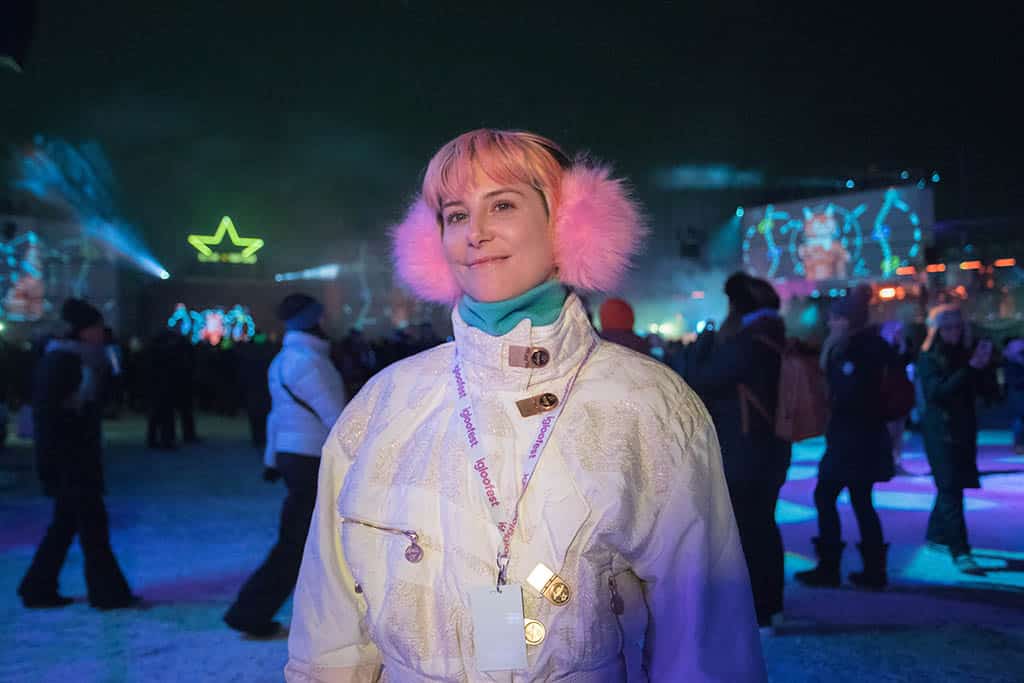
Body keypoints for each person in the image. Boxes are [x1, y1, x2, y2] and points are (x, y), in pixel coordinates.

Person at [286, 129, 765, 681]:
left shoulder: (648, 404)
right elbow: (331, 620)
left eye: (504, 205)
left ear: (568, 224)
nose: (476, 233)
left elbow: (704, 635)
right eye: (456, 215)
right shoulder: (385, 402)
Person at [224, 294, 347, 638]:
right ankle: (250, 611)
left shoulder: (283, 360)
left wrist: (272, 459)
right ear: (313, 321)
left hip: (293, 455)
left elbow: (276, 417)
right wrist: (359, 456)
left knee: (307, 538)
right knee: (298, 541)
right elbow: (337, 418)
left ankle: (327, 615)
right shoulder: (309, 362)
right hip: (312, 457)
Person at [674, 272, 791, 633]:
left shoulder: (748, 343)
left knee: (746, 527)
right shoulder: (777, 337)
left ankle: (759, 608)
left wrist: (703, 342)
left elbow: (701, 379)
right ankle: (768, 604)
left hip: (745, 450)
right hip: (771, 447)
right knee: (762, 524)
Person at [17, 298, 140, 609]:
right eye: (97, 328)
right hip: (72, 462)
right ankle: (107, 593)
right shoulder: (66, 363)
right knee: (92, 528)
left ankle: (37, 586)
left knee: (67, 526)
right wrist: (52, 467)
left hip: (73, 460)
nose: (102, 334)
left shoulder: (79, 360)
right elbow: (52, 419)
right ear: (83, 331)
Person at [795, 284, 895, 590]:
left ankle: (830, 567)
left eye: (835, 318)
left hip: (851, 439)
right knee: (862, 500)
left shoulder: (852, 349)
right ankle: (874, 571)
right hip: (866, 437)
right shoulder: (873, 344)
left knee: (826, 496)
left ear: (847, 320)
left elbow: (850, 396)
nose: (829, 323)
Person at [915, 305, 990, 574]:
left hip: (963, 430)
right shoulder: (928, 358)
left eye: (957, 326)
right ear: (935, 329)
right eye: (947, 327)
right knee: (950, 489)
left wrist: (982, 366)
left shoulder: (964, 353)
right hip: (940, 431)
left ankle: (936, 534)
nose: (953, 332)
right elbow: (938, 393)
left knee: (950, 485)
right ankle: (961, 551)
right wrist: (970, 368)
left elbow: (985, 393)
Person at [880, 319, 913, 475]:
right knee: (890, 431)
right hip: (888, 397)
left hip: (901, 395)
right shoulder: (883, 350)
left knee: (899, 431)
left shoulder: (902, 349)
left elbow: (906, 359)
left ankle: (896, 461)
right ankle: (888, 462)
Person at [1002, 337, 1024, 455]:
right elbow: (1013, 381)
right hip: (1017, 397)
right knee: (1019, 421)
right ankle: (1019, 445)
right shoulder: (1010, 364)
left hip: (1018, 395)